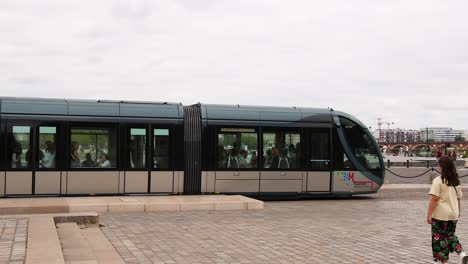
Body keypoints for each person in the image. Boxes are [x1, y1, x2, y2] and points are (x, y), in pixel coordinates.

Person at [427, 156, 468, 264]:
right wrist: (458, 212)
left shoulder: (438, 180)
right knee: (450, 236)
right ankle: (461, 253)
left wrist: (429, 215)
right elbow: (458, 198)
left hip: (440, 215)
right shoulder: (455, 181)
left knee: (439, 239)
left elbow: (434, 199)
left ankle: (444, 262)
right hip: (453, 213)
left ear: (441, 166)